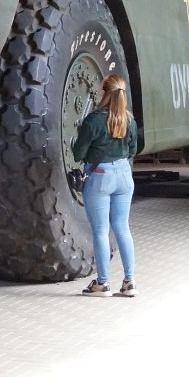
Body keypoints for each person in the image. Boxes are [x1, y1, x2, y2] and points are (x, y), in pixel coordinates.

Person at [70, 74, 138, 298]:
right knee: (122, 227)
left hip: (100, 176)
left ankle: (102, 283)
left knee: (101, 231)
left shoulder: (93, 121)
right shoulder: (129, 120)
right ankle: (129, 282)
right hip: (124, 175)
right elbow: (132, 149)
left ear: (103, 92)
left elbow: (78, 153)